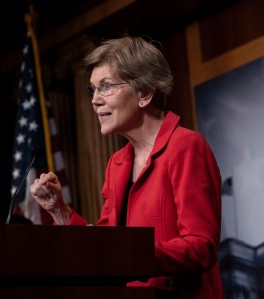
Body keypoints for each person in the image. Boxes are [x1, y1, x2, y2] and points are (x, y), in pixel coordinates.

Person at [29, 36, 224, 298]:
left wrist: (129, 254)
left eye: (106, 87)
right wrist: (60, 211)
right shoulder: (117, 163)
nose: (95, 100)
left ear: (144, 93)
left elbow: (201, 248)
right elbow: (105, 247)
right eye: (92, 90)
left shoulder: (186, 146)